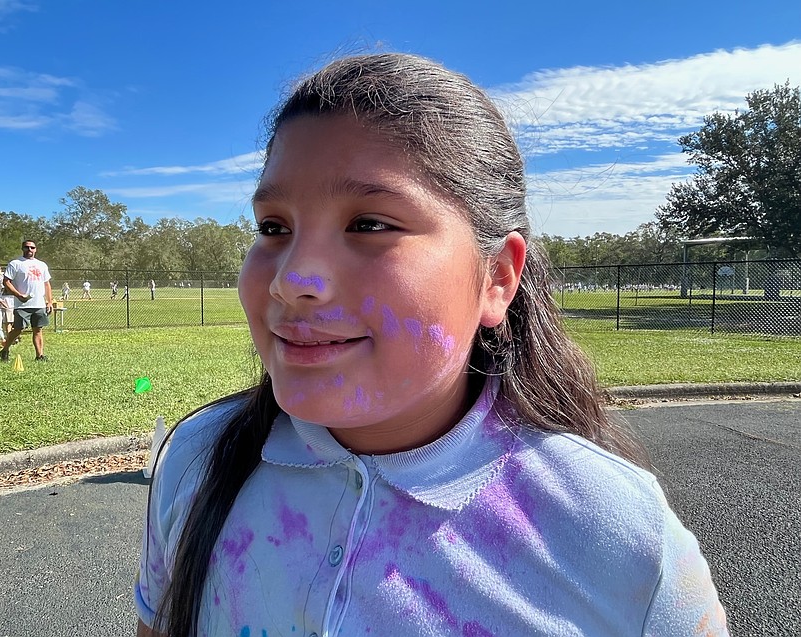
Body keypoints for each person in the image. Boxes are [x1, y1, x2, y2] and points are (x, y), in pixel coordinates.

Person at [135, 54, 728, 637]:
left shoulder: (620, 539)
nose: (293, 280)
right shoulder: (197, 460)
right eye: (274, 227)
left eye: (369, 224)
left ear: (496, 276)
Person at [0, 240, 53, 362]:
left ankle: (39, 356)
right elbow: (6, 281)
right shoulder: (15, 263)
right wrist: (18, 295)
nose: (29, 250)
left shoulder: (42, 265)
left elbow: (47, 284)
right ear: (22, 249)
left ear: (36, 249)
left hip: (39, 304)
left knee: (38, 329)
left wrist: (49, 301)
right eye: (27, 247)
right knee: (18, 329)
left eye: (32, 247)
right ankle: (5, 350)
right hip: (22, 304)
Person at [0, 263, 15, 338]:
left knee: (10, 322)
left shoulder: (5, 277)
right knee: (6, 322)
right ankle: (9, 337)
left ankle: (12, 337)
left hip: (10, 302)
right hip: (1, 302)